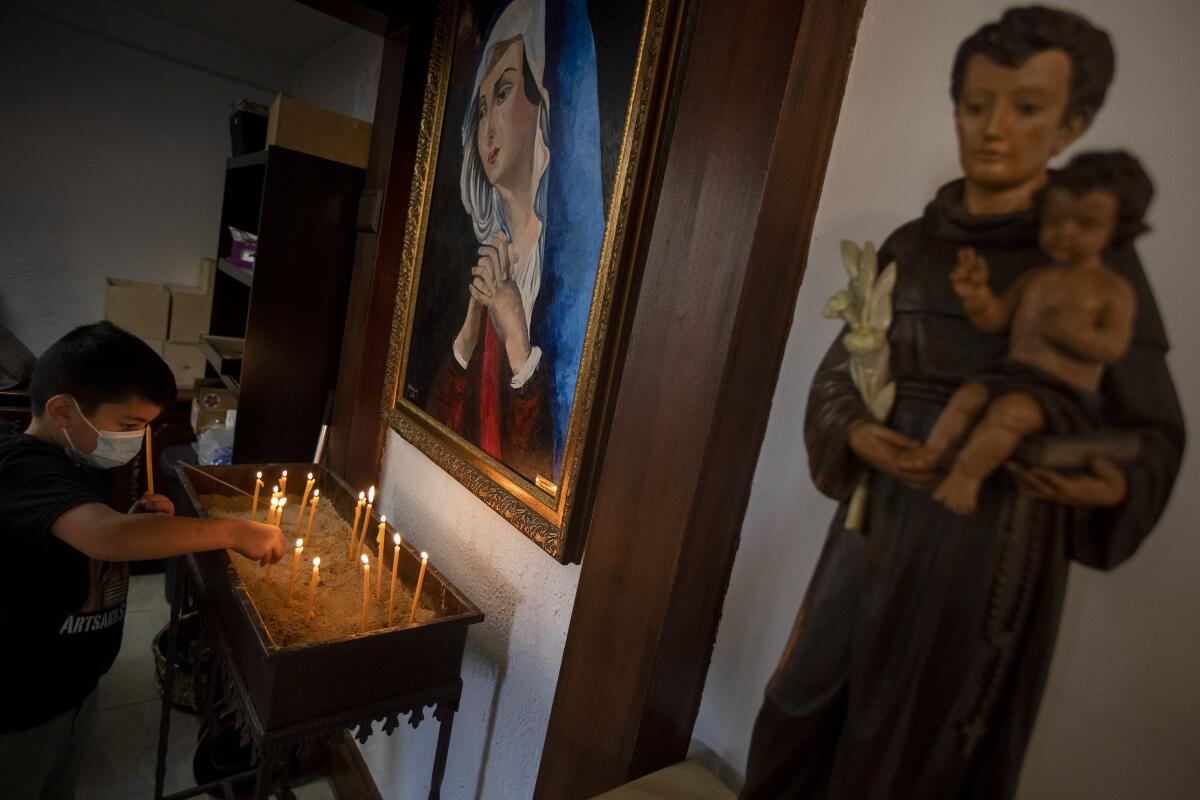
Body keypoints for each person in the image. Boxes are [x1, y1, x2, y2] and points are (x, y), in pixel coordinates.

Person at [740, 8, 1184, 799]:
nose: (994, 129)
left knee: (917, 748)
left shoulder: (1093, 264)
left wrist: (1103, 479)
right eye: (976, 105)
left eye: (1027, 108)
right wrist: (857, 435)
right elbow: (847, 369)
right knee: (798, 707)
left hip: (991, 540)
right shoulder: (913, 246)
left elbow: (1149, 431)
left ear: (1072, 122)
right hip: (878, 517)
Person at [0, 322, 285, 800]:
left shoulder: (76, 463)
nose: (137, 440)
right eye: (129, 426)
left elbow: (90, 535)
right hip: (17, 705)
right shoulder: (18, 469)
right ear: (64, 410)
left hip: (72, 691)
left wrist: (136, 523)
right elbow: (104, 537)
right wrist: (237, 530)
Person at [905, 150, 1152, 514]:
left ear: (1117, 229)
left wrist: (1075, 336)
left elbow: (1113, 348)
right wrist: (977, 297)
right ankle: (930, 453)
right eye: (1055, 220)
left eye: (1086, 224)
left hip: (1061, 394)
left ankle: (966, 477)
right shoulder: (1036, 279)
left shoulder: (1112, 289)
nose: (1066, 232)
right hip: (1011, 373)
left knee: (1010, 414)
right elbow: (995, 321)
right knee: (969, 396)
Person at [428, 0, 605, 486]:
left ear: (543, 104)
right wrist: (470, 330)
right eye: (481, 106)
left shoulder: (566, 266)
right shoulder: (490, 250)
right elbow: (447, 425)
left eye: (504, 94)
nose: (488, 127)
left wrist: (515, 335)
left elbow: (543, 469)